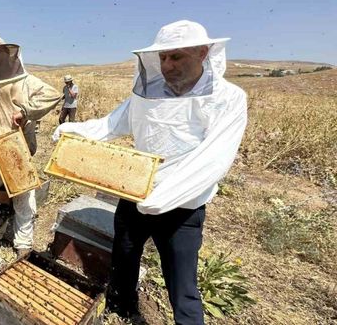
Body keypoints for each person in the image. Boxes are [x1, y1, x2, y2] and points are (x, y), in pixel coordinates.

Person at [53, 20, 247, 325]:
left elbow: (214, 158)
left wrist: (164, 195)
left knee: (182, 284)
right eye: (163, 57)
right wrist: (73, 130)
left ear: (203, 52)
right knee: (125, 253)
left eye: (177, 56)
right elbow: (111, 125)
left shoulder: (228, 98)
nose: (167, 65)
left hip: (182, 204)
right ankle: (121, 307)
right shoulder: (147, 94)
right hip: (135, 191)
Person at [0, 35, 62, 257]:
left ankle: (23, 244)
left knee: (23, 199)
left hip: (16, 150)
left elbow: (52, 95)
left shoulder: (24, 82)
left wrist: (26, 112)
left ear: (6, 54)